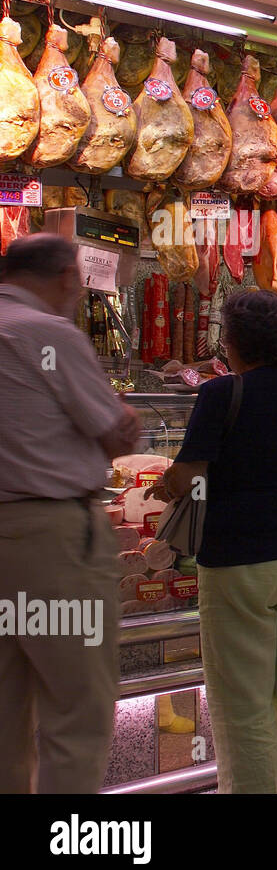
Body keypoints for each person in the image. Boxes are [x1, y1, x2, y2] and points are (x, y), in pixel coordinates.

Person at [147, 291, 277, 791]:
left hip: (242, 560)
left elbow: (189, 477)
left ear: (234, 343)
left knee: (245, 708)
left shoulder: (221, 394)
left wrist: (166, 484)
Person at [0, 233, 140, 793]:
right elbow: (115, 434)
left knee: (5, 714)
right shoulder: (49, 334)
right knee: (75, 712)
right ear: (66, 277)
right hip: (51, 542)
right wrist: (125, 419)